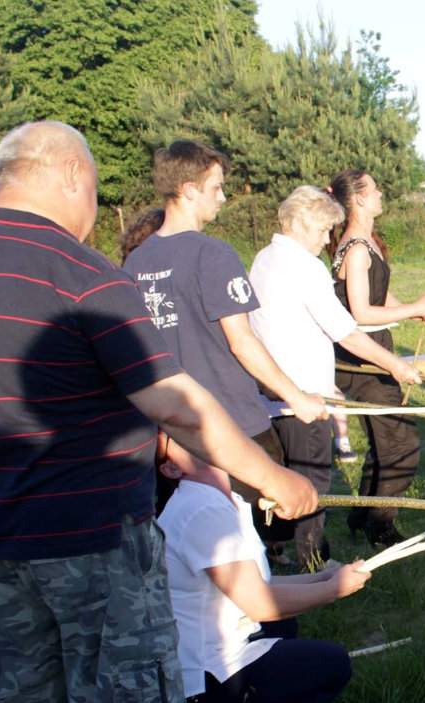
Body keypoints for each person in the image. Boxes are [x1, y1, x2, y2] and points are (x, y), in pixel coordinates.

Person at [0, 121, 316, 701]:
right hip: (94, 546)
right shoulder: (80, 274)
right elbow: (177, 407)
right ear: (73, 174)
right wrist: (275, 479)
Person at [123, 141, 328, 551]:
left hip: (169, 436)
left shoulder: (136, 262)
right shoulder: (212, 253)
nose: (223, 196)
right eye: (216, 186)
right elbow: (243, 342)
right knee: (257, 547)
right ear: (188, 189)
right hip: (233, 426)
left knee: (187, 546)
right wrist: (297, 397)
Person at [248, 186, 420, 565]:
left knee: (277, 474)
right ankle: (314, 559)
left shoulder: (264, 258)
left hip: (270, 390)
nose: (328, 238)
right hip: (304, 393)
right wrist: (394, 364)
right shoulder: (303, 266)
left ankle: (270, 550)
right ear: (305, 223)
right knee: (312, 479)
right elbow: (345, 330)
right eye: (325, 229)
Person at [157, 439, 365, 702]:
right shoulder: (201, 509)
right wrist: (334, 589)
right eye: (174, 436)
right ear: (171, 469)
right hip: (208, 669)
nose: (192, 432)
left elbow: (255, 583)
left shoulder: (223, 500)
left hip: (224, 646)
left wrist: (322, 577)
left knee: (285, 624)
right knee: (331, 663)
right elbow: (258, 604)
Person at [328, 168, 425, 548]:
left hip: (373, 353)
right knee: (400, 445)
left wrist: (413, 309)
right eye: (374, 189)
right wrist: (414, 307)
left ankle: (363, 515)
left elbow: (378, 297)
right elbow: (359, 313)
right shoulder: (357, 249)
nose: (380, 193)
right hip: (361, 359)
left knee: (386, 441)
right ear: (358, 198)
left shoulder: (368, 242)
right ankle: (381, 525)